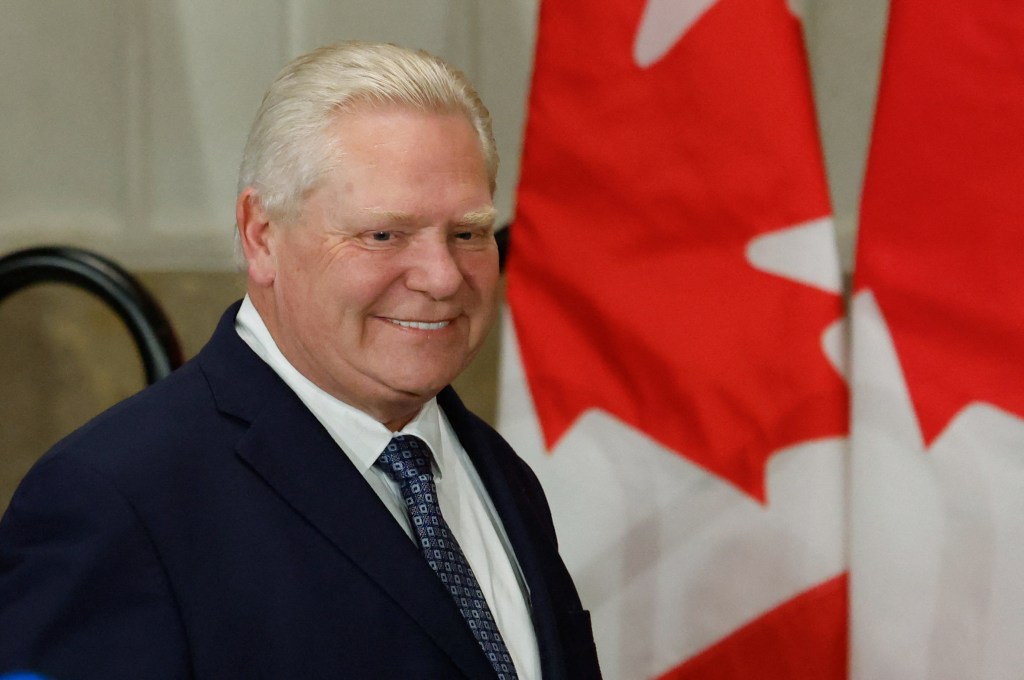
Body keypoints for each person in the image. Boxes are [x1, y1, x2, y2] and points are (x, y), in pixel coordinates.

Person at [0, 42, 601, 679]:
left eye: (467, 233)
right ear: (261, 235)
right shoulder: (118, 500)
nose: (442, 277)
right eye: (383, 235)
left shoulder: (498, 472)